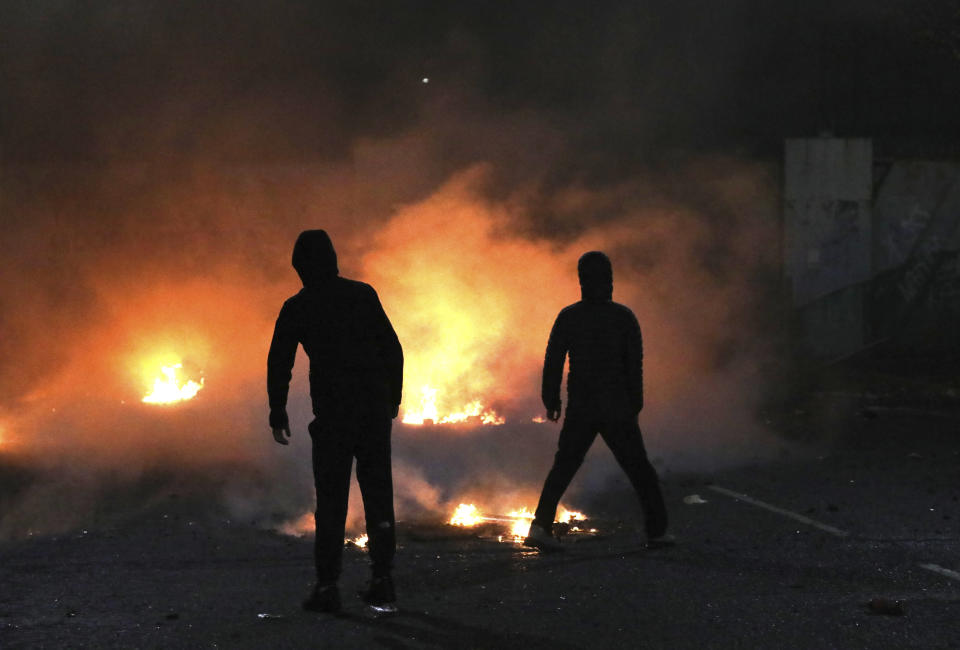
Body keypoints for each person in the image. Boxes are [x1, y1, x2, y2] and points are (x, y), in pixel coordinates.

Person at [268, 229, 404, 613]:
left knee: (330, 503)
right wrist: (391, 400)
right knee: (378, 497)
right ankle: (382, 580)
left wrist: (277, 410)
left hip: (333, 416)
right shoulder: (363, 294)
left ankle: (327, 587)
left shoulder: (298, 306)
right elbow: (393, 349)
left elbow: (280, 361)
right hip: (372, 413)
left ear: (302, 267)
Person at [524, 251, 672, 551]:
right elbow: (634, 364)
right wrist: (635, 402)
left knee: (564, 467)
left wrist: (551, 398)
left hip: (584, 407)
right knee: (639, 470)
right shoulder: (622, 317)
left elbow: (553, 361)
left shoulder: (571, 317)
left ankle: (540, 527)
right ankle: (656, 532)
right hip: (616, 409)